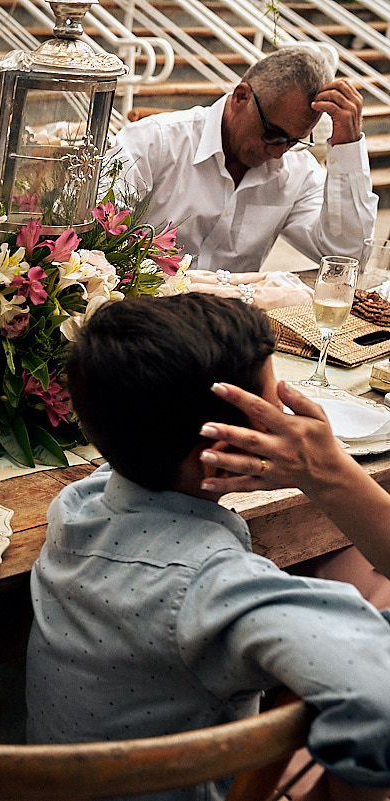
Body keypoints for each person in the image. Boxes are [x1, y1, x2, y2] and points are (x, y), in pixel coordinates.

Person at [27, 293, 390, 801]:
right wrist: (330, 470)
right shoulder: (214, 590)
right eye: (274, 412)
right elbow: (382, 701)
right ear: (219, 458)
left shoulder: (80, 501)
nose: (290, 425)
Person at [109, 47, 377, 273]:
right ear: (240, 97)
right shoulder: (153, 141)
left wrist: (348, 148)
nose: (278, 152)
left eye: (294, 141)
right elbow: (95, 245)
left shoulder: (299, 170)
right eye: (273, 134)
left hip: (234, 328)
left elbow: (347, 260)